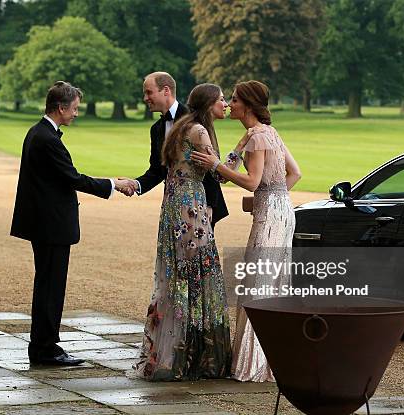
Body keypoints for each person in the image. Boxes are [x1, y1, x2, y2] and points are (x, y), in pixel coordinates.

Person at [10, 81, 134, 366]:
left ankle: (42, 345)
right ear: (61, 107)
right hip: (51, 226)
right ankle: (45, 348)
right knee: (51, 287)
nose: (77, 113)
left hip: (45, 224)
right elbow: (73, 177)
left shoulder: (38, 133)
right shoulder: (47, 139)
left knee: (47, 284)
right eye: (75, 108)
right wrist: (114, 184)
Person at [191, 80, 301, 382]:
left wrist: (215, 164)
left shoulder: (258, 137)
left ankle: (254, 367)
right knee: (271, 283)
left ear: (248, 106)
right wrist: (268, 195)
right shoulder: (266, 133)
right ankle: (271, 361)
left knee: (258, 285)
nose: (230, 104)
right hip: (282, 211)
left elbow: (251, 180)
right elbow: (295, 173)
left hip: (270, 218)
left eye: (235, 100)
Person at [132, 83, 232, 381]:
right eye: (222, 100)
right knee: (198, 277)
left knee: (178, 275)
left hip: (173, 207)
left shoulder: (181, 126)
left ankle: (172, 352)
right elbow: (221, 174)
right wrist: (240, 150)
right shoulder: (199, 130)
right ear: (210, 103)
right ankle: (196, 357)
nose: (225, 104)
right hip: (191, 210)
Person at [120, 72, 228, 228]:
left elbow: (210, 163)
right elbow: (158, 170)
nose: (145, 98)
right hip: (173, 203)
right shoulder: (156, 129)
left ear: (166, 90)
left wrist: (210, 204)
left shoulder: (194, 119)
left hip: (201, 204)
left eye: (149, 92)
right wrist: (136, 184)